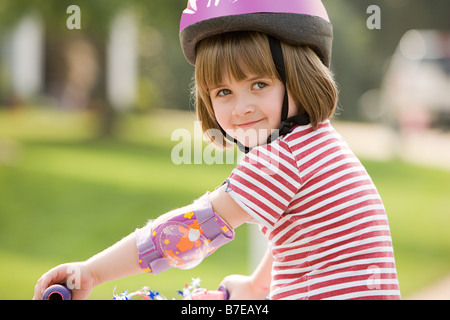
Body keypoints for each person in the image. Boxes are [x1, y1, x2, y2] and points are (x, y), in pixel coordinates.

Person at [33, 0, 401, 300]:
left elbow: (192, 230)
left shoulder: (283, 159)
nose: (240, 108)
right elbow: (309, 242)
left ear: (301, 78)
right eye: (223, 92)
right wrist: (254, 288)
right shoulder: (317, 143)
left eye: (259, 84)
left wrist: (93, 272)